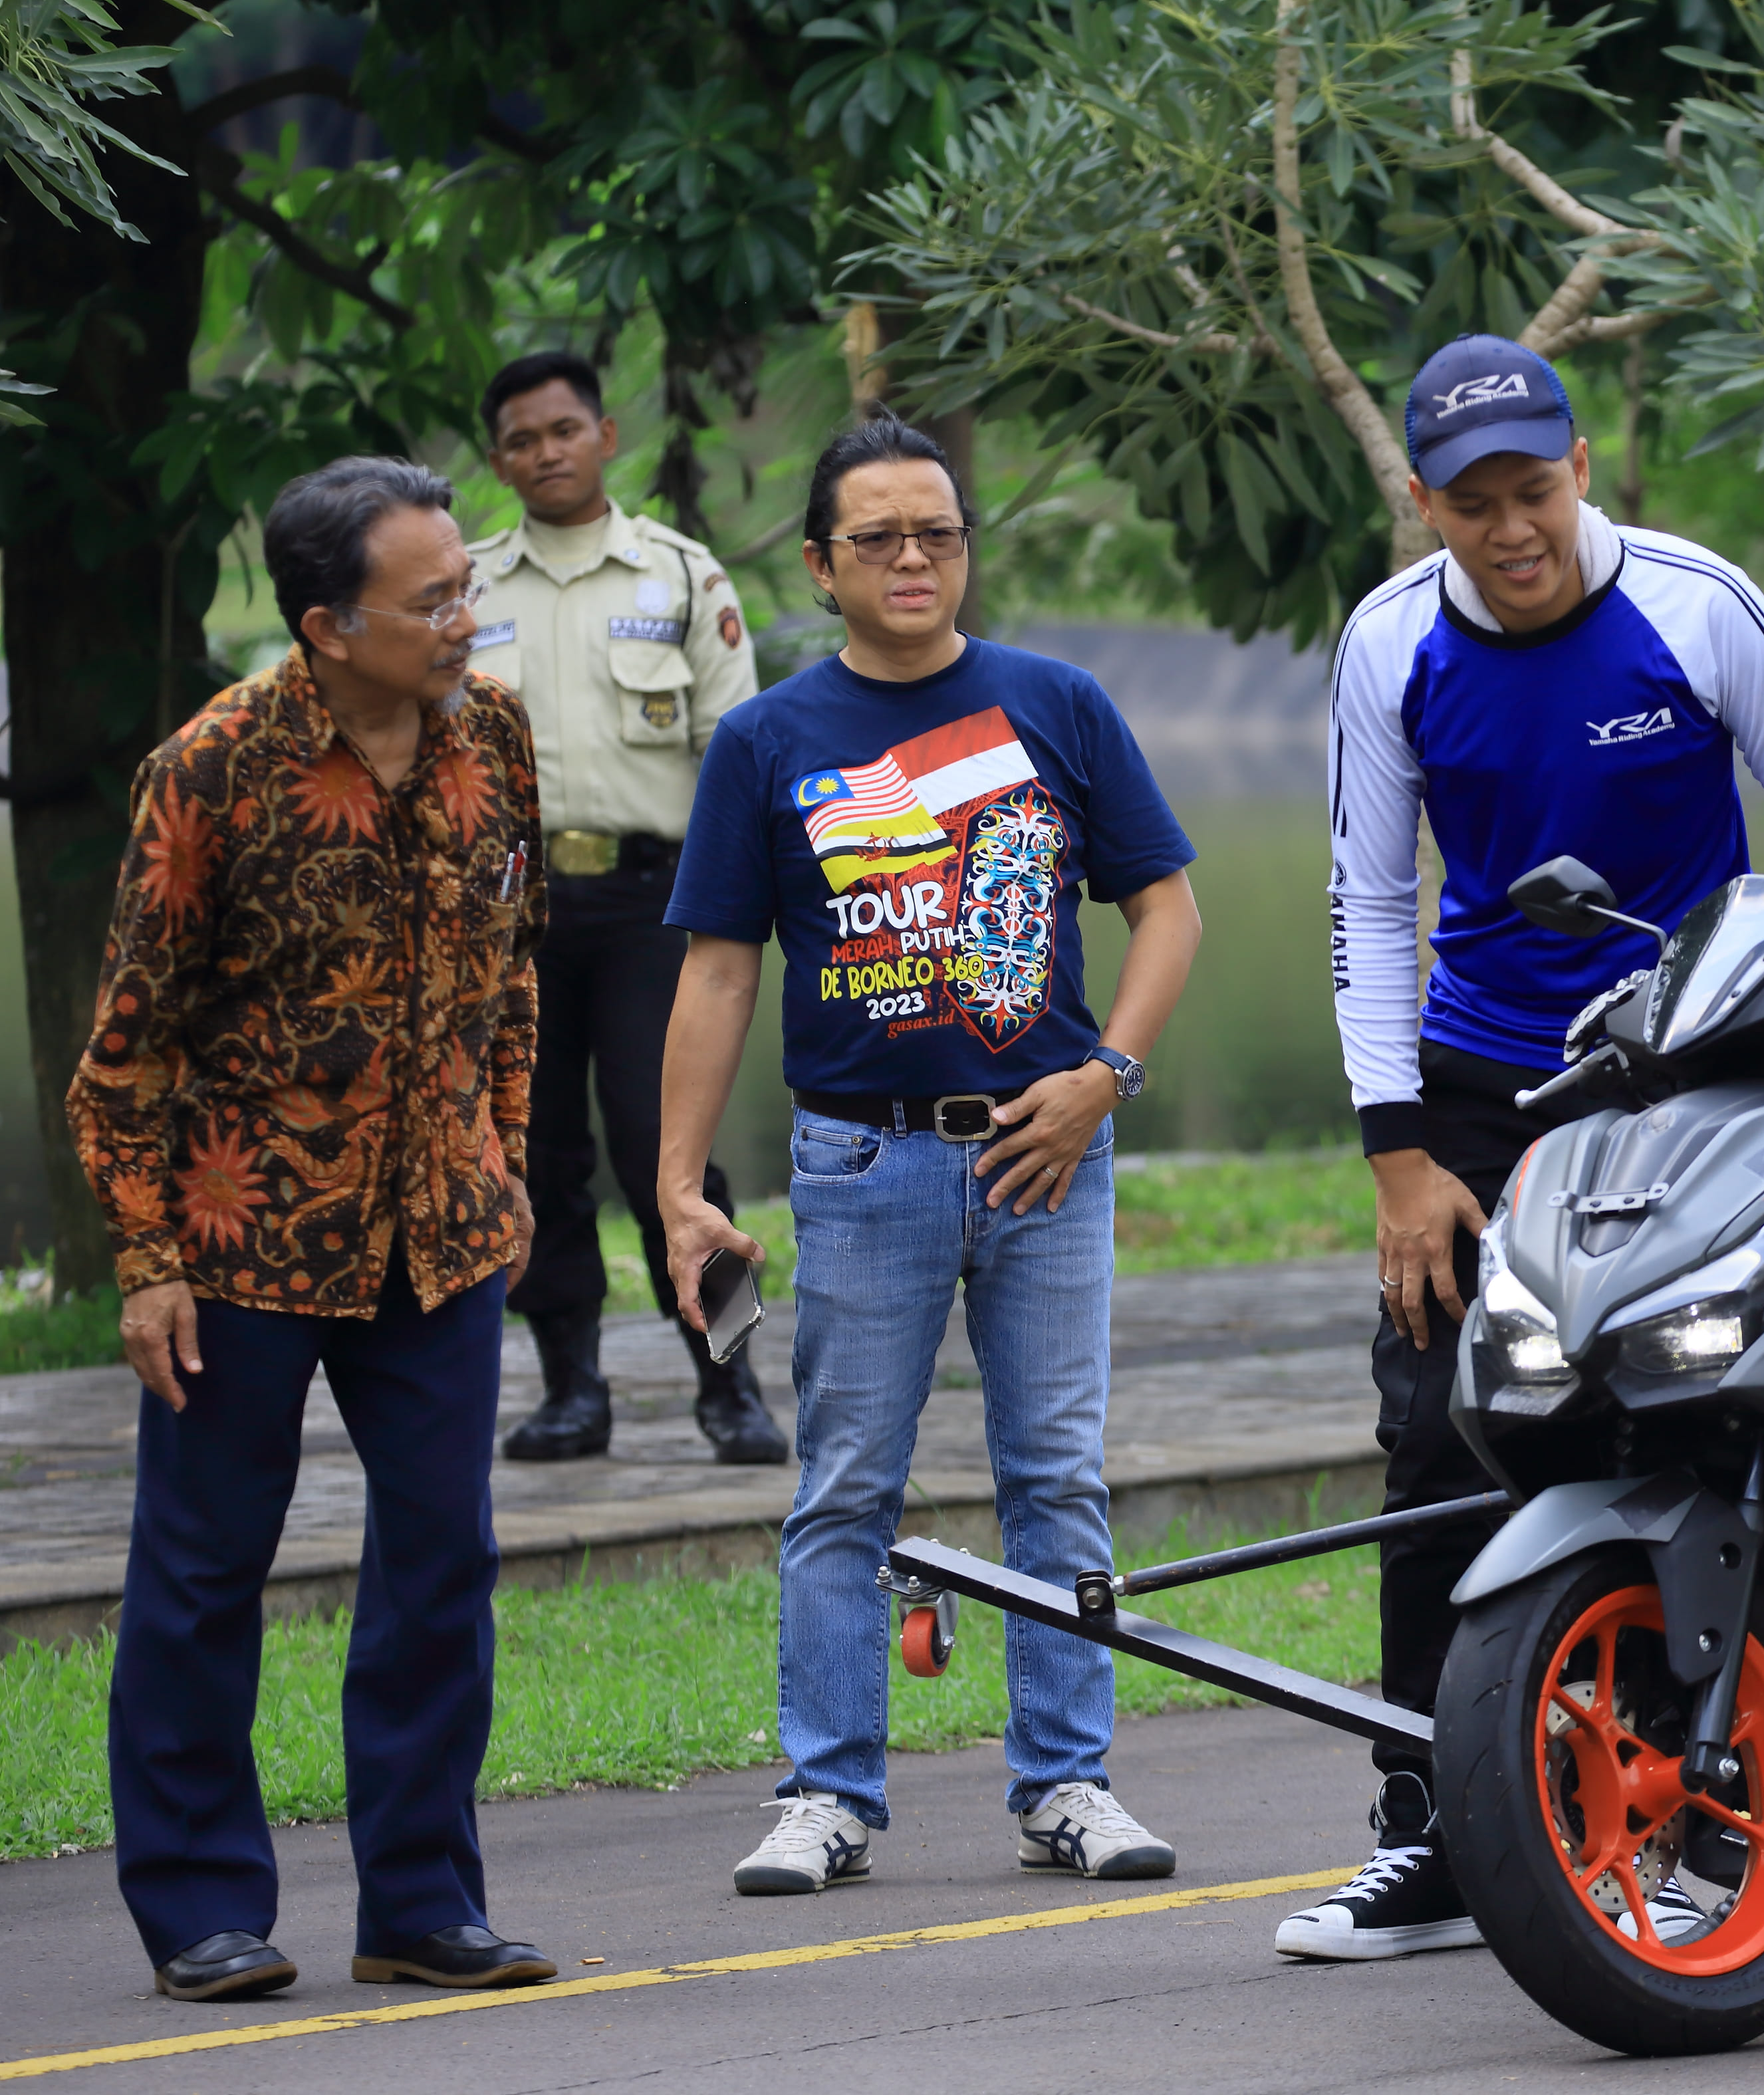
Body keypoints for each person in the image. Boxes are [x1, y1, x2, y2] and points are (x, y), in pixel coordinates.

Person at [1281, 334, 1764, 1964]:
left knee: (1722, 1417)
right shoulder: (1388, 641)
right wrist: (1398, 1157)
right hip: (1483, 1082)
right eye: (1472, 505)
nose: (1510, 528)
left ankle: (1742, 1818)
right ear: (1423, 505)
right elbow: (1365, 899)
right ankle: (1433, 1830)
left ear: (1582, 467)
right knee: (1437, 1426)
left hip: (1699, 1063)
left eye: (1533, 490)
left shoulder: (1697, 603)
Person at [654, 413, 1203, 1896]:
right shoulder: (767, 740)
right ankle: (827, 1795)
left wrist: (1105, 1079)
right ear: (821, 564)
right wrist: (679, 1183)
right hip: (862, 1163)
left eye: (939, 533)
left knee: (1057, 1480)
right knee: (844, 1486)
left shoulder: (1057, 703)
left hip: (1047, 1152)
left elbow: (1166, 910)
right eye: (880, 537)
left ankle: (1068, 1784)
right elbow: (719, 971)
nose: (914, 557)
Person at [70, 457, 557, 2002]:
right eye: (432, 601)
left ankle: (420, 1901)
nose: (465, 619)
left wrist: (505, 1160)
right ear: (328, 625)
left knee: (443, 1563)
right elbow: (126, 1048)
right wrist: (147, 1261)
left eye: (467, 588)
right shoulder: (210, 768)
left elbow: (512, 969)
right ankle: (200, 1909)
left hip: (443, 1234)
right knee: (205, 1573)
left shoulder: (494, 737)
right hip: (245, 1242)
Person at [467, 350, 783, 1465]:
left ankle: (735, 1384)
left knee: (671, 1147)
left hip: (656, 902)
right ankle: (571, 1392)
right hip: (512, 912)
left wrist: (734, 908)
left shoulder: (682, 576)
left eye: (564, 430)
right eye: (521, 439)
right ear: (498, 461)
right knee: (537, 1148)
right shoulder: (465, 589)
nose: (546, 453)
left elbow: (736, 755)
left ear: (604, 436)